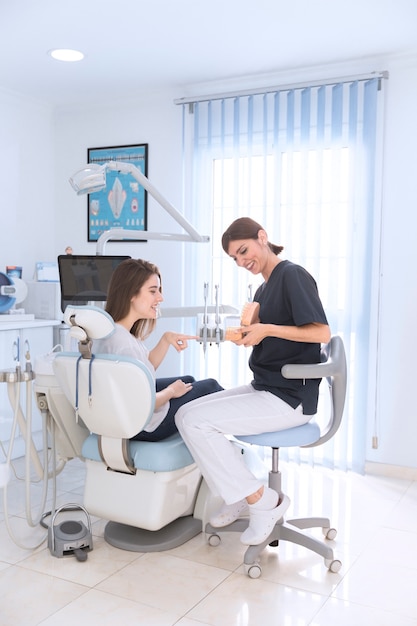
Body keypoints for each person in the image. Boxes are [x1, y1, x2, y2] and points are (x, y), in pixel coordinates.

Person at [175, 217, 330, 546]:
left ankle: (262, 501)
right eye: (234, 258)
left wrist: (266, 330)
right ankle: (240, 493)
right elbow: (274, 339)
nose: (242, 261)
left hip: (291, 397)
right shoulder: (263, 287)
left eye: (243, 251)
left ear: (263, 237)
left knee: (199, 423)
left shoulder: (292, 276)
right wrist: (249, 335)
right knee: (184, 415)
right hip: (266, 387)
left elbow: (321, 333)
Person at [94, 258, 223, 442]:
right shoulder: (124, 345)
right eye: (153, 291)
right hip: (143, 426)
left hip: (125, 417)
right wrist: (170, 392)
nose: (160, 298)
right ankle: (249, 422)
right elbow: (143, 405)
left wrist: (166, 339)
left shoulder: (115, 333)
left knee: (188, 381)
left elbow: (145, 368)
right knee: (211, 386)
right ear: (131, 293)